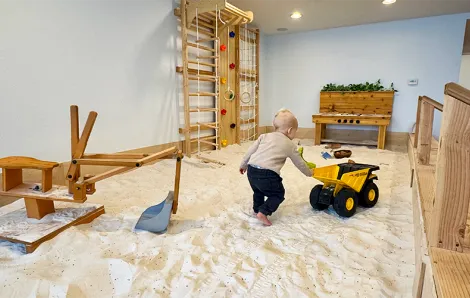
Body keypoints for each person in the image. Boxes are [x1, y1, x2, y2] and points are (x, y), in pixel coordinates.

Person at [239, 108, 316, 226]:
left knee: (258, 191)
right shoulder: (289, 144)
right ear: (290, 130)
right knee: (278, 194)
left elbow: (250, 152)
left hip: (252, 170)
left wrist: (243, 165)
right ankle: (263, 212)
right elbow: (299, 163)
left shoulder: (263, 136)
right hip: (268, 174)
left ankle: (257, 209)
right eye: (295, 131)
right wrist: (309, 172)